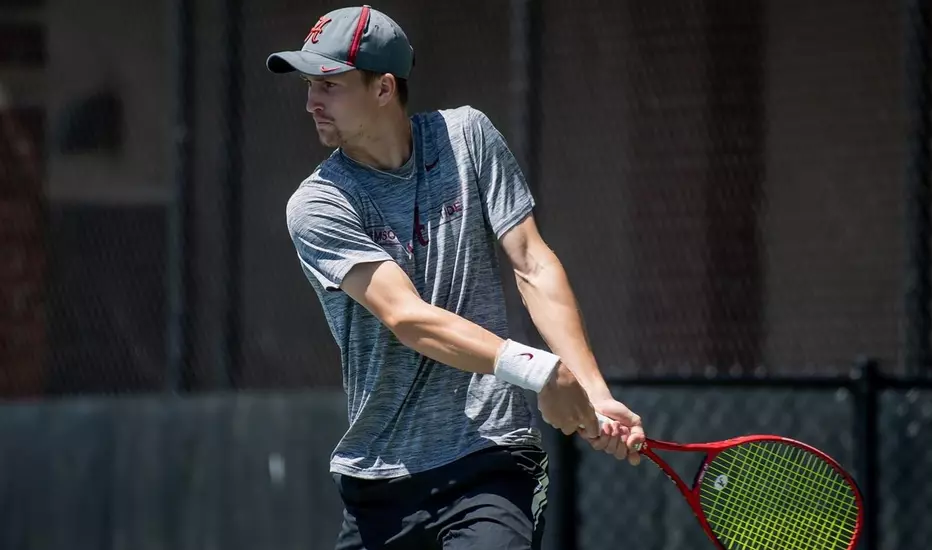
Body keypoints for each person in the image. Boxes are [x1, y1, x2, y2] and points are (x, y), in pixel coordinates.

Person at [267, 6, 647, 549]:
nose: (311, 102)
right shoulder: (318, 203)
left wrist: (592, 389)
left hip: (492, 462)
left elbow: (532, 262)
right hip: (380, 480)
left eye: (329, 84)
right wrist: (538, 369)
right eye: (309, 85)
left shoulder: (467, 136)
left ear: (383, 89)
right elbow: (407, 318)